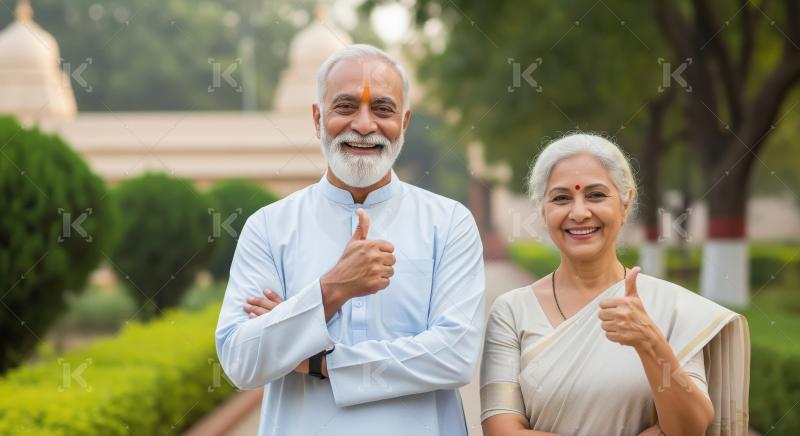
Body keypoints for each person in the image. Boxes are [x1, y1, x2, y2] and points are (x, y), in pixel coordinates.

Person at [215, 44, 485, 436]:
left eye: (383, 109)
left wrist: (316, 359)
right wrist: (332, 290)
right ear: (317, 118)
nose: (363, 124)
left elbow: (453, 357)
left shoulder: (448, 223)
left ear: (404, 122)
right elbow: (241, 361)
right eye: (345, 107)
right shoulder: (270, 227)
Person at [480, 133, 749, 436]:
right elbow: (501, 431)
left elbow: (690, 429)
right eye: (561, 198)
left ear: (625, 203)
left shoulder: (672, 309)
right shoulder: (512, 312)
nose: (579, 213)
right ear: (542, 210)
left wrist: (650, 343)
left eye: (596, 195)